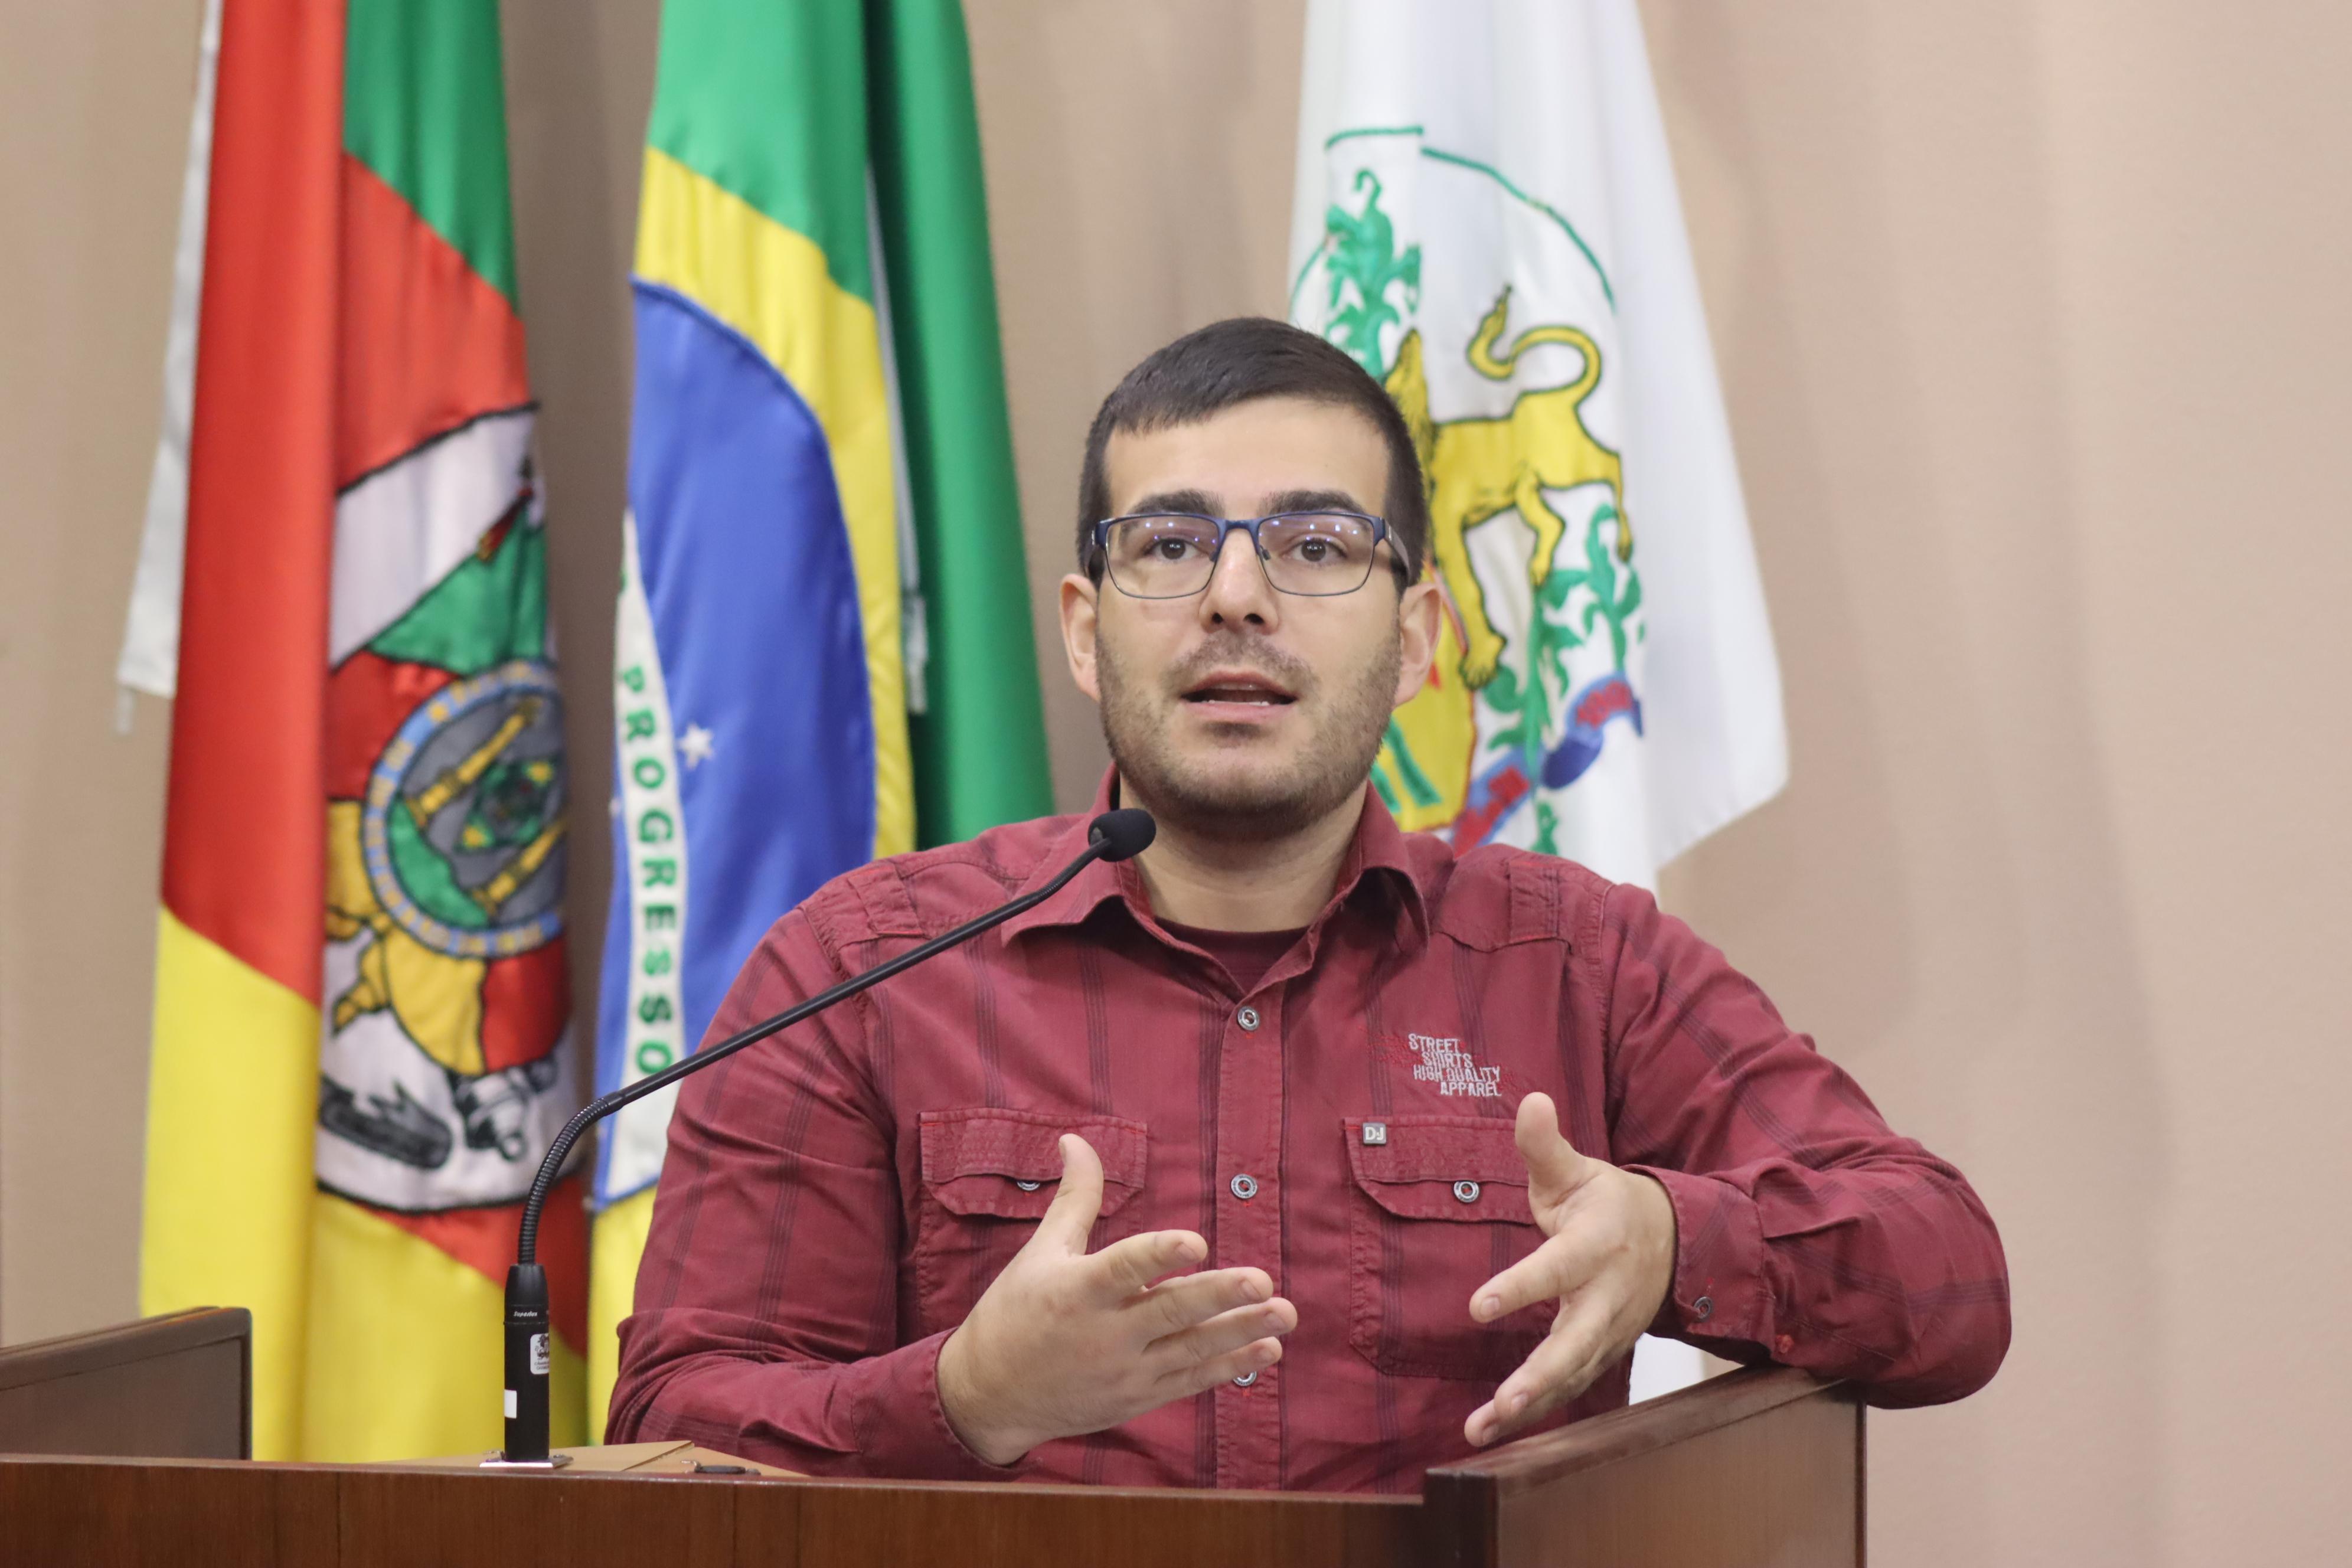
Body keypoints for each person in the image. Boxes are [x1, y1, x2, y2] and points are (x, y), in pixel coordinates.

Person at [606, 319, 2009, 1491]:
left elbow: (1947, 1280)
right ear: (1087, 632)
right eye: (1168, 544)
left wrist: (1672, 1241)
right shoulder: (866, 967)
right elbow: (669, 1431)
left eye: (1318, 544)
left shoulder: (1580, 963)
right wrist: (965, 1397)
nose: (1234, 598)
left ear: (1414, 642)